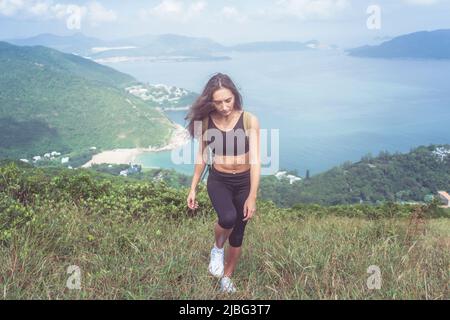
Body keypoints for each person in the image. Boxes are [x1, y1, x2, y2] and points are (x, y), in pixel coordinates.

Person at [185, 73, 261, 293]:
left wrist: (252, 196)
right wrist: (193, 188)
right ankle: (217, 249)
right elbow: (201, 157)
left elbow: (256, 161)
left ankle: (226, 278)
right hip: (219, 180)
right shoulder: (206, 121)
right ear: (211, 102)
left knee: (238, 234)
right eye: (218, 102)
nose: (225, 106)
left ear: (234, 96)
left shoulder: (249, 120)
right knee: (228, 217)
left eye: (228, 100)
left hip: (244, 182)